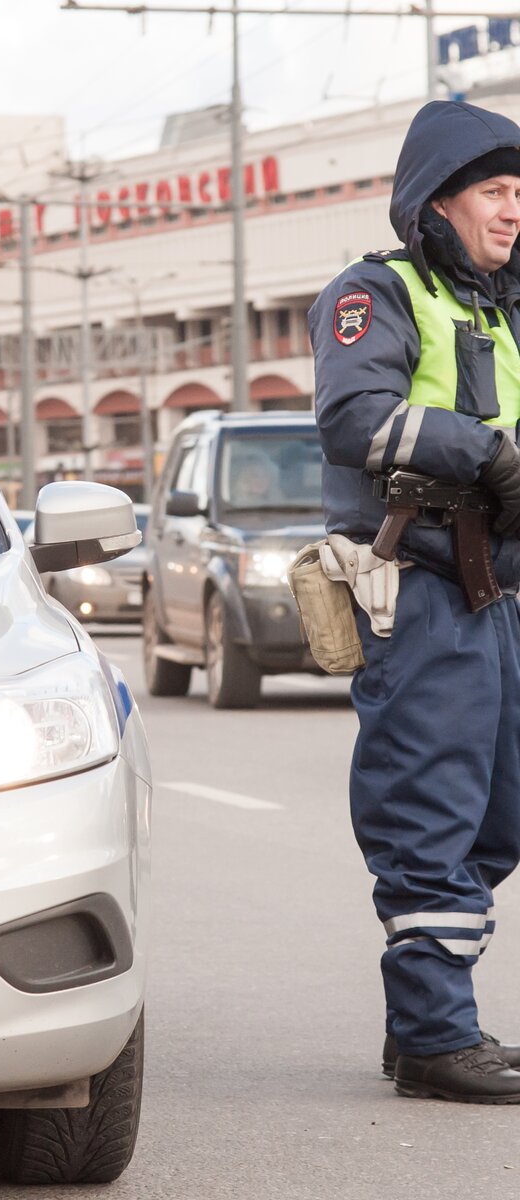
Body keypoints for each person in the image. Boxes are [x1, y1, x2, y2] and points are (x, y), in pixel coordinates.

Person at [308, 99, 520, 1104]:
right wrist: (485, 454)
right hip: (425, 589)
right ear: (437, 201)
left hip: (503, 597)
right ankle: (437, 1035)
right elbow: (353, 417)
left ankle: (426, 1022)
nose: (514, 209)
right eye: (494, 189)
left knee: (500, 816)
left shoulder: (499, 307)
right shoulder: (375, 293)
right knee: (429, 813)